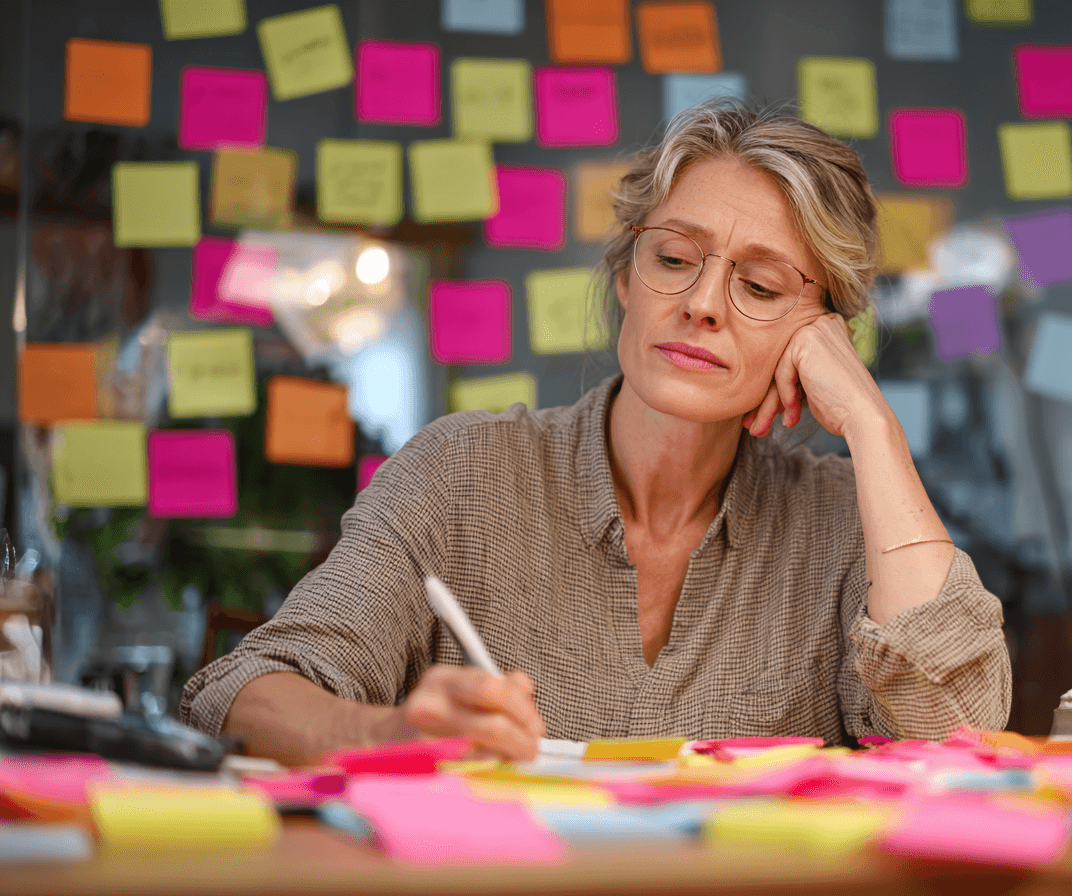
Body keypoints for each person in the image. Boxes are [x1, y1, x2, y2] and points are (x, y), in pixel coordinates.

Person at [180, 102, 1011, 766]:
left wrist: (873, 426)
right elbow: (241, 692)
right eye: (675, 258)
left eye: (759, 285)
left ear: (819, 335)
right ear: (625, 276)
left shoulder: (841, 520)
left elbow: (960, 739)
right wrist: (388, 737)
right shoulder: (462, 474)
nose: (704, 303)